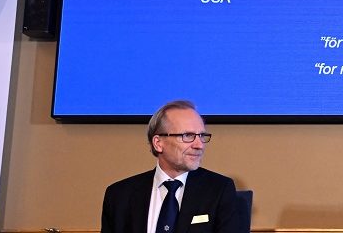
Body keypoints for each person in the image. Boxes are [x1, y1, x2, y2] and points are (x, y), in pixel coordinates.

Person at [101, 100, 243, 233]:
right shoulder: (119, 195)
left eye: (201, 135)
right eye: (188, 135)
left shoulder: (219, 190)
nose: (199, 145)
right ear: (158, 143)